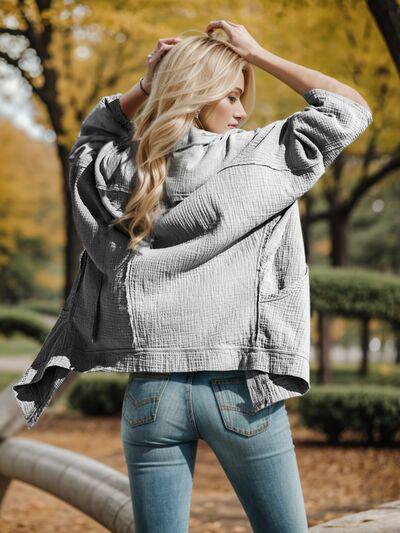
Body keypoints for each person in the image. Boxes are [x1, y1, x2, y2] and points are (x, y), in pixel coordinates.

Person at [12, 19, 372, 533]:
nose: (243, 110)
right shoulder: (262, 158)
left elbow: (87, 142)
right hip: (241, 390)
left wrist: (144, 85)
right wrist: (259, 51)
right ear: (198, 95)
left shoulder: (121, 170)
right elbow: (349, 107)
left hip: (151, 396)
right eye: (231, 95)